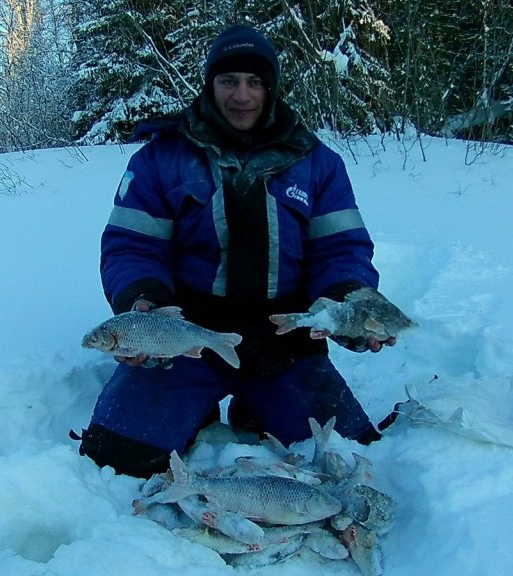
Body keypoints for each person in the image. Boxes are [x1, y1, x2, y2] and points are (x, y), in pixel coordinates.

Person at [76, 24, 397, 478]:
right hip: (186, 335)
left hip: (283, 342)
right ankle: (195, 405)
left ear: (270, 88)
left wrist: (347, 302)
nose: (241, 95)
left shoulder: (318, 164)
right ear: (210, 85)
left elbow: (341, 250)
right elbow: (132, 247)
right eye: (228, 81)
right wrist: (142, 303)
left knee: (347, 458)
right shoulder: (160, 159)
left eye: (254, 82)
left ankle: (257, 404)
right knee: (114, 458)